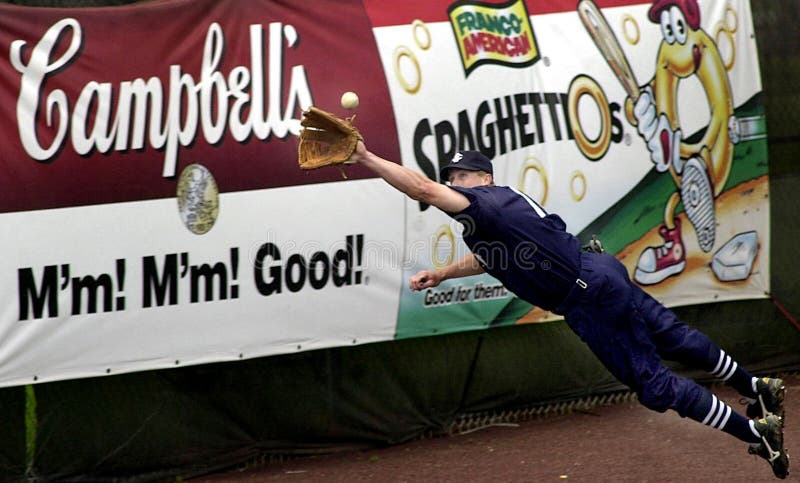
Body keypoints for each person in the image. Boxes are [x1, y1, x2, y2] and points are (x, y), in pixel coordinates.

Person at [347, 143, 789, 479]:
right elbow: (491, 257)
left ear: (483, 180)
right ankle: (756, 385)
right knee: (672, 335)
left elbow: (421, 188)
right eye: (452, 177)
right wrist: (443, 274)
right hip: (598, 270)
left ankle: (756, 434)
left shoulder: (486, 204)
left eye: (461, 177)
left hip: (586, 297)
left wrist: (365, 157)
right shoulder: (498, 209)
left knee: (655, 387)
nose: (453, 184)